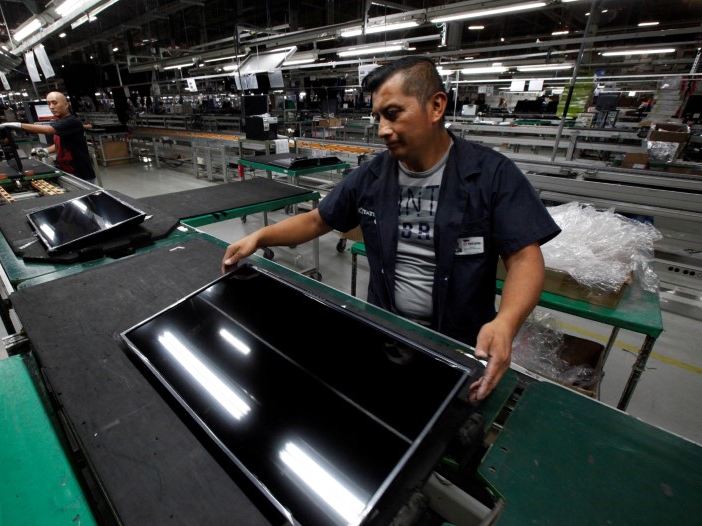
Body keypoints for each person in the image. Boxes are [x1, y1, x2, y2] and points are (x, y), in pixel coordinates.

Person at [222, 56, 561, 403]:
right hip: (386, 335)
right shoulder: (371, 177)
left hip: (462, 346)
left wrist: (505, 323)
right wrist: (260, 236)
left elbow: (524, 258)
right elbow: (316, 220)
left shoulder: (492, 175)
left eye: (394, 114)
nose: (382, 129)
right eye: (378, 118)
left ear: (436, 106)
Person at [0, 91, 96, 183]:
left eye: (54, 103)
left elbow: (47, 130)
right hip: (68, 171)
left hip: (81, 175)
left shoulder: (71, 122)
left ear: (66, 104)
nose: (51, 107)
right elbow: (60, 144)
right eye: (49, 104)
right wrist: (46, 150)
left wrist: (17, 125)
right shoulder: (60, 122)